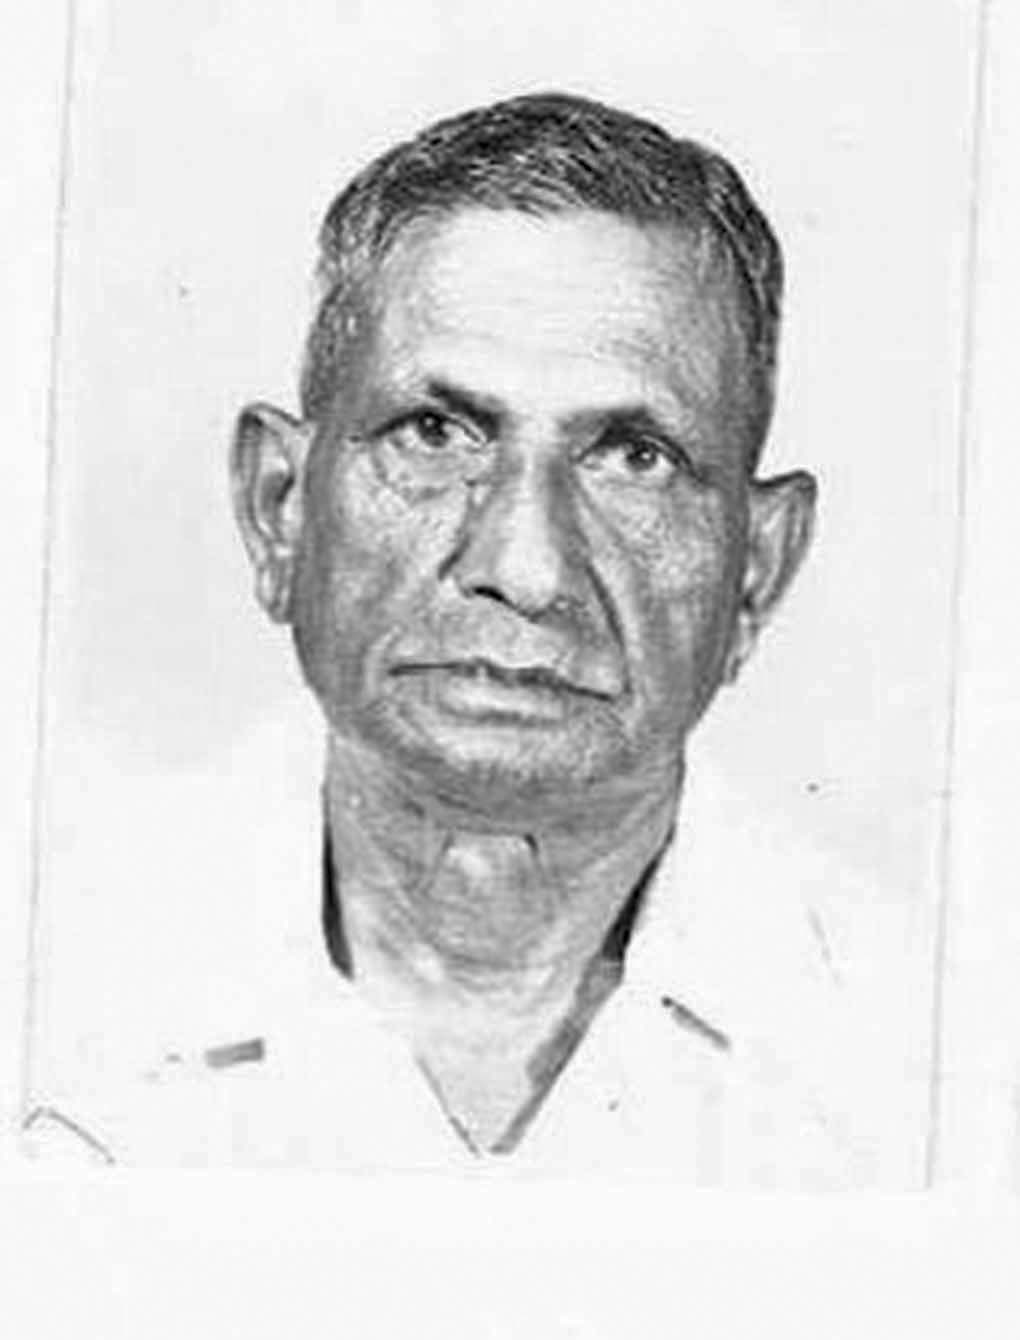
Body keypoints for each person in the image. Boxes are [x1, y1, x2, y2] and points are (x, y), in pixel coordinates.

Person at [24, 92, 896, 1182]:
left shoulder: (922, 1053)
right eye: (435, 434)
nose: (524, 568)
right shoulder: (52, 987)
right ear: (279, 507)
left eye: (633, 457)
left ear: (759, 565)